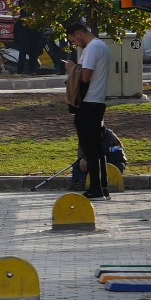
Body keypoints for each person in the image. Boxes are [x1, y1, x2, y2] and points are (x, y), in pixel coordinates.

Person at [66, 17, 111, 200]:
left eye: (74, 40)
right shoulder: (102, 46)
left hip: (88, 103)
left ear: (79, 34)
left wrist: (71, 69)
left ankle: (95, 188)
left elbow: (85, 77)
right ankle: (102, 186)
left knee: (89, 148)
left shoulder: (92, 48)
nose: (76, 44)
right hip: (97, 101)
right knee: (98, 148)